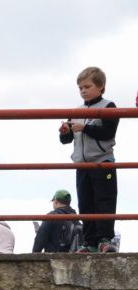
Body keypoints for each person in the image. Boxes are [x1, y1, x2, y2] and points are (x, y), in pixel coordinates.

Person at [59, 66, 118, 253]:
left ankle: (105, 240)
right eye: (80, 88)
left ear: (101, 86)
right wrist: (65, 132)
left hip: (102, 162)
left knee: (104, 201)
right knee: (85, 203)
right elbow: (66, 140)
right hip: (82, 164)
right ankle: (89, 242)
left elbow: (108, 132)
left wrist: (84, 128)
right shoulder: (76, 111)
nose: (83, 91)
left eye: (87, 86)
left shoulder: (109, 106)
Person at [31, 189, 80, 253]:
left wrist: (34, 253)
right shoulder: (76, 219)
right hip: (74, 256)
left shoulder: (51, 217)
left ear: (56, 201)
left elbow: (40, 239)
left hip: (54, 256)